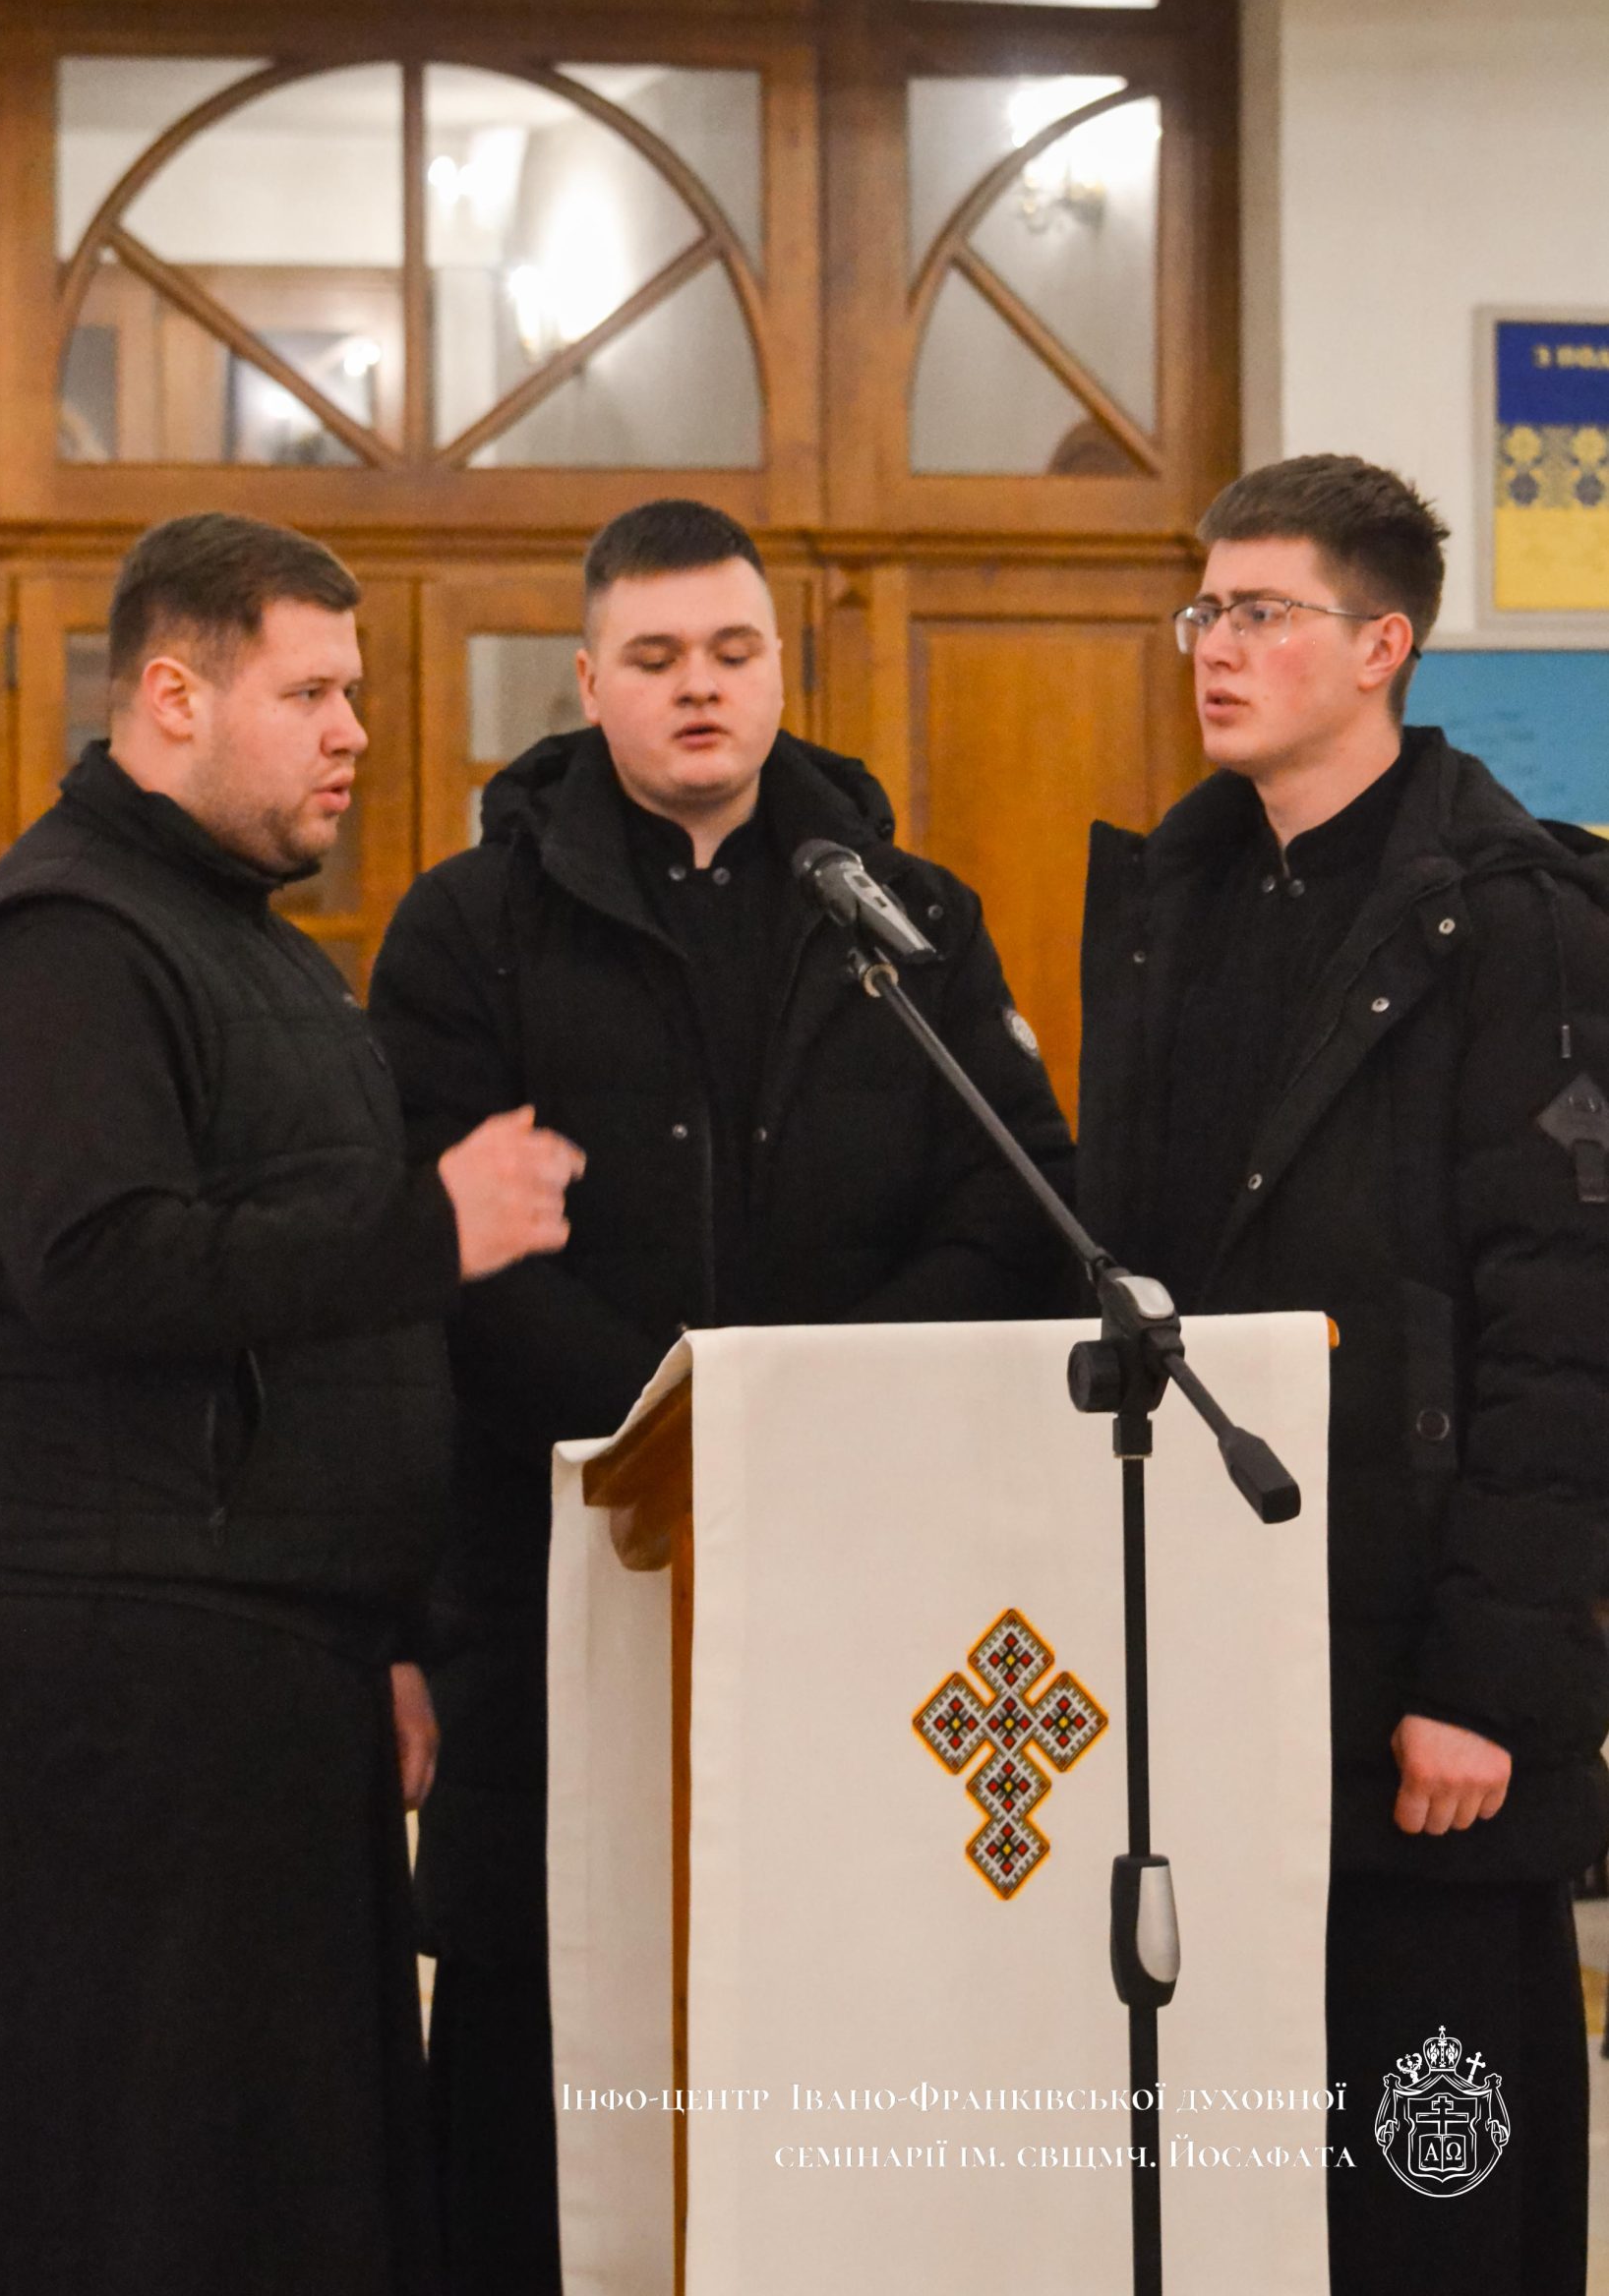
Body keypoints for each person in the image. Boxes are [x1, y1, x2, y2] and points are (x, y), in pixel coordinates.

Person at [370, 495, 1078, 2293]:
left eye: (734, 651)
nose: (700, 686)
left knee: (826, 1999)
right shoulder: (468, 926)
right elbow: (448, 1251)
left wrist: (807, 1422)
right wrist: (684, 1436)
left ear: (782, 671)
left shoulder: (906, 913)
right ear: (588, 682)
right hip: (557, 1564)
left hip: (852, 1564)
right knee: (545, 2032)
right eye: (659, 656)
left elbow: (1011, 1205)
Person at [0, 512, 583, 2296]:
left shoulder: (253, 945)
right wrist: (430, 1227)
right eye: (309, 694)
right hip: (130, 1681)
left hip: (273, 1655)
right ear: (171, 696)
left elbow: (315, 1331)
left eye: (351, 693)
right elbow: (107, 1264)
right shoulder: (59, 941)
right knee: (152, 2193)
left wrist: (390, 1631)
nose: (353, 732)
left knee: (289, 2184)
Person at [1076, 453, 1609, 2293]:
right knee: (1246, 2204)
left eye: (1260, 612)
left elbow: (1562, 1327)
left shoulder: (1518, 917)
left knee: (1429, 2187)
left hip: (1423, 1692)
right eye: (1201, 610)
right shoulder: (1175, 897)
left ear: (1380, 646)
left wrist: (1487, 1684)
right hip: (1214, 1655)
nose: (1211, 648)